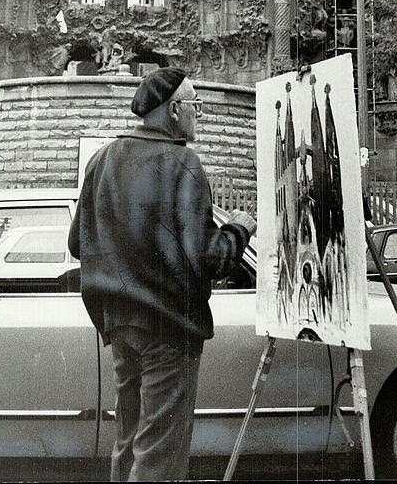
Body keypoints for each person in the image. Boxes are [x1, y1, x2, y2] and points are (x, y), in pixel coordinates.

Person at [68, 67, 256, 482]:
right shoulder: (182, 162)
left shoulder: (103, 158)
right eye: (196, 106)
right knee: (159, 456)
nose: (199, 115)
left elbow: (77, 245)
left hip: (119, 325)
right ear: (174, 111)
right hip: (168, 329)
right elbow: (210, 260)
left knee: (129, 443)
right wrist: (239, 228)